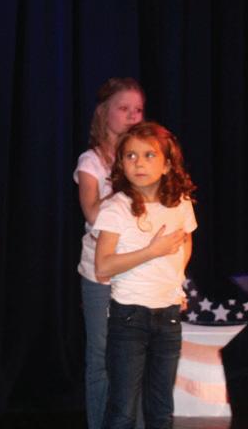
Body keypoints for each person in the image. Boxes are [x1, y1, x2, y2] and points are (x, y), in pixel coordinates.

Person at [94, 121, 197, 429]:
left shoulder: (181, 204)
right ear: (121, 163)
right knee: (123, 410)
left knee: (161, 410)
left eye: (149, 155)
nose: (139, 163)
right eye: (131, 156)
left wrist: (175, 283)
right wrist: (152, 251)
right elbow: (103, 266)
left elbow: (185, 243)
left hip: (168, 316)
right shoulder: (116, 207)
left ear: (167, 165)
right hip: (130, 317)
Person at [75, 77, 145, 429]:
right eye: (124, 108)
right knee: (102, 358)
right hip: (101, 273)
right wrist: (124, 181)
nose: (133, 116)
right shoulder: (91, 162)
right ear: (104, 112)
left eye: (138, 110)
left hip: (139, 272)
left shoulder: (145, 159)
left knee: (138, 357)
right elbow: (92, 213)